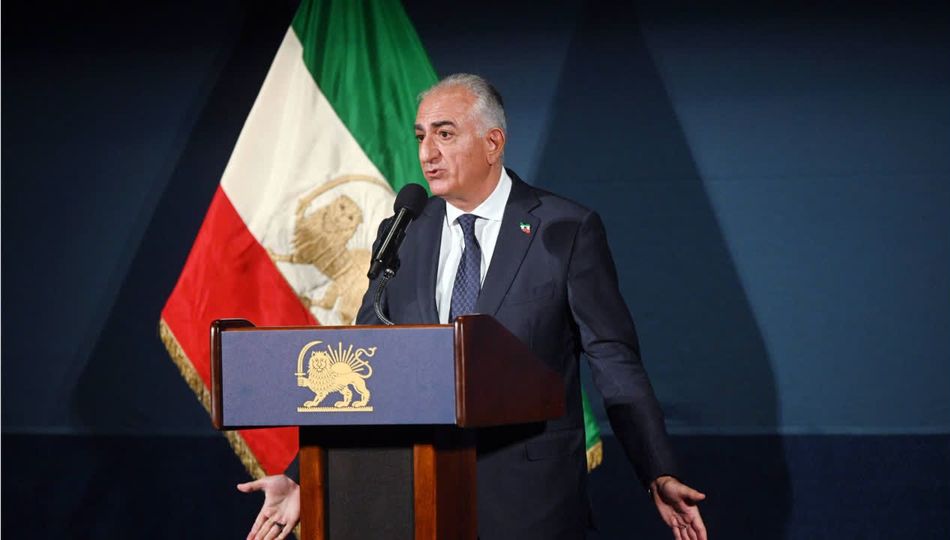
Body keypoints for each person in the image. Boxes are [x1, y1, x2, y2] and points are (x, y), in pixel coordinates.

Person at [240, 73, 708, 540]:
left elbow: (614, 360)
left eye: (445, 134)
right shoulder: (403, 232)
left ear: (493, 143)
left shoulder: (564, 229)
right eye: (421, 137)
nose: (427, 153)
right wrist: (303, 477)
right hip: (418, 501)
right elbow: (369, 365)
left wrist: (657, 470)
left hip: (531, 505)